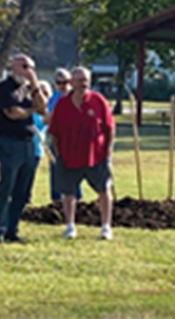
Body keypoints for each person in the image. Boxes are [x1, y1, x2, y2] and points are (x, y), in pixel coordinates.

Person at [48, 65, 115, 241]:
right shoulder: (62, 104)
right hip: (69, 156)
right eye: (79, 80)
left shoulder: (99, 101)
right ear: (72, 82)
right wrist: (58, 153)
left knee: (104, 189)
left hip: (96, 156)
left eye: (86, 80)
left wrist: (107, 151)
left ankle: (106, 227)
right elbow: (54, 131)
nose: (83, 83)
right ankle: (70, 226)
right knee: (68, 193)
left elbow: (109, 128)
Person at [0, 53, 47, 243]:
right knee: (7, 186)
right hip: (10, 142)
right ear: (14, 67)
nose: (29, 72)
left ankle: (13, 229)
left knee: (23, 189)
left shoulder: (28, 89)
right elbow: (13, 113)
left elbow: (43, 108)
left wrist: (35, 85)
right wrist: (31, 111)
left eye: (32, 68)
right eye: (25, 67)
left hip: (29, 142)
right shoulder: (4, 89)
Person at [47, 67, 82, 202]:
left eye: (65, 82)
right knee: (57, 169)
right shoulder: (53, 99)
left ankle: (77, 197)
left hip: (75, 140)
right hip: (57, 139)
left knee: (76, 169)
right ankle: (56, 199)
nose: (62, 86)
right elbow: (49, 118)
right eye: (59, 83)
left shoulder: (77, 97)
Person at [27, 80, 52, 204]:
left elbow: (42, 126)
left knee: (30, 175)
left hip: (36, 149)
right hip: (24, 146)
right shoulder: (28, 110)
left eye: (45, 93)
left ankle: (27, 197)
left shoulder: (46, 113)